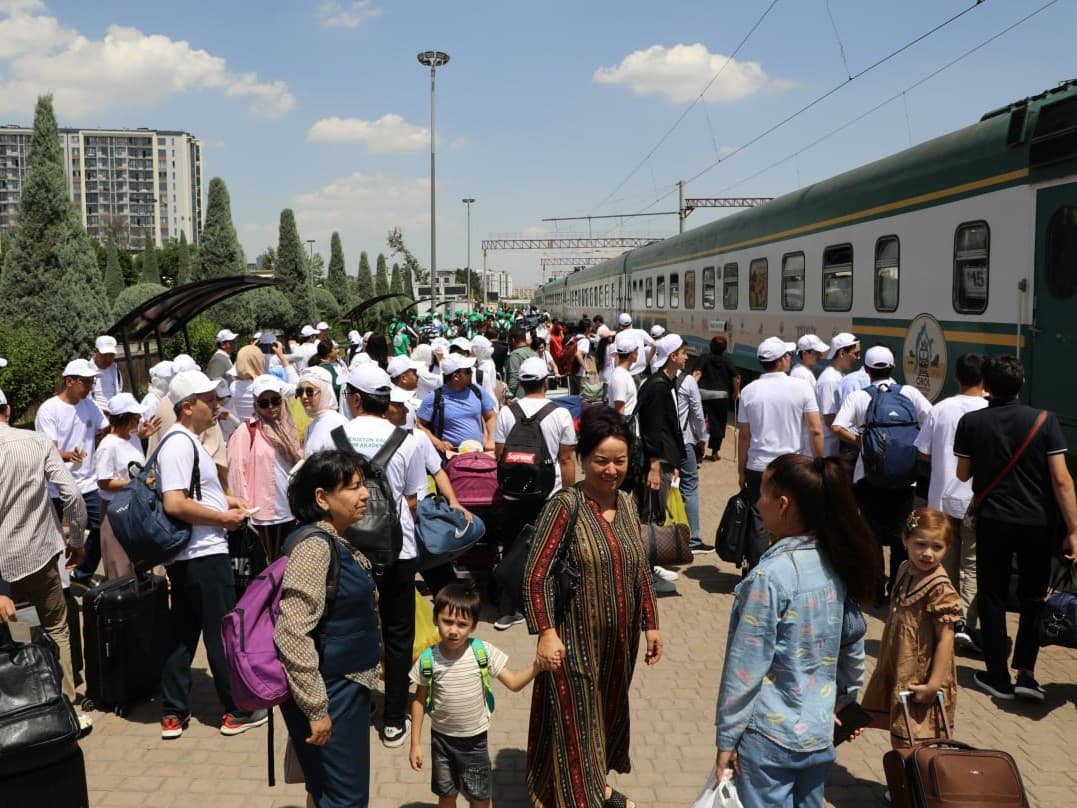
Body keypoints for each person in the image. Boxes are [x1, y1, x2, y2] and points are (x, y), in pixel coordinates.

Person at [715, 454, 879, 808]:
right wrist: (847, 699)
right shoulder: (836, 564)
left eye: (762, 493)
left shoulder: (769, 577)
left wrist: (726, 739)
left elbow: (745, 669)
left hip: (769, 739)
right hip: (819, 733)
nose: (758, 502)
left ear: (783, 504)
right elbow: (853, 641)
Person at [524, 407, 661, 808]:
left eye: (620, 460)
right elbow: (536, 575)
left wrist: (651, 624)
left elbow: (640, 569)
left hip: (618, 644)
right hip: (573, 642)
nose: (611, 469)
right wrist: (546, 632)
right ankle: (583, 798)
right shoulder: (565, 505)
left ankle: (585, 784)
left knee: (599, 717)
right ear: (583, 459)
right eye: (601, 460)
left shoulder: (630, 504)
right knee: (579, 720)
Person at [954, 355, 1077, 702]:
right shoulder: (1045, 421)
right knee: (1033, 596)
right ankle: (1026, 673)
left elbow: (963, 475)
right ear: (1022, 384)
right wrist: (1074, 529)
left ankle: (997, 676)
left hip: (993, 520)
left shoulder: (972, 421)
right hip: (1039, 523)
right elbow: (1062, 480)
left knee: (992, 595)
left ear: (986, 386)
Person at [157, 370, 266, 740]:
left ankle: (174, 711)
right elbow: (174, 502)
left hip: (196, 553)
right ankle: (236, 710)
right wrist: (223, 517)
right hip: (202, 553)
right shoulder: (178, 443)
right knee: (221, 634)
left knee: (184, 634)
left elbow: (193, 493)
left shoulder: (188, 441)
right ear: (187, 407)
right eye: (208, 399)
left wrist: (228, 500)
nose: (216, 404)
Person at [275, 450, 381, 808]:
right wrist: (316, 708)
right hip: (331, 691)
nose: (364, 494)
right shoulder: (315, 548)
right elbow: (291, 632)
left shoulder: (330, 539)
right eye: (353, 487)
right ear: (322, 498)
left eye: (363, 485)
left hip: (341, 687)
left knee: (325, 789)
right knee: (345, 798)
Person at [339, 364, 428, 747]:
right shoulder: (407, 441)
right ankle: (394, 717)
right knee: (397, 634)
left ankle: (353, 708)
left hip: (344, 551)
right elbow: (411, 500)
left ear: (356, 399)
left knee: (349, 630)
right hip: (399, 550)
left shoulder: (328, 436)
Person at [0, 385, 92, 732]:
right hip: (40, 555)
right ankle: (69, 708)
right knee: (56, 628)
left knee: (15, 633)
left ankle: (19, 714)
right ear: (8, 410)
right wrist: (78, 539)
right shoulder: (37, 442)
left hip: (2, 570)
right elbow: (72, 496)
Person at [408, 583, 538, 808]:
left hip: (475, 742)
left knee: (481, 797)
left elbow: (514, 683)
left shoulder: (482, 652)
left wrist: (537, 667)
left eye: (462, 624)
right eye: (447, 621)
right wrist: (415, 744)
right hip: (441, 741)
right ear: (435, 618)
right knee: (446, 795)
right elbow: (419, 701)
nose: (453, 630)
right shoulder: (428, 659)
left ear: (473, 626)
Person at [832, 346, 932, 598]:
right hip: (905, 478)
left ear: (866, 370)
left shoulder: (859, 396)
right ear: (893, 367)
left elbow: (837, 427)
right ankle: (898, 587)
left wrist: (861, 441)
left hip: (868, 478)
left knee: (870, 534)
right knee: (902, 534)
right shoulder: (909, 392)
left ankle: (875, 586)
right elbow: (932, 418)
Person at [861, 508, 960, 748]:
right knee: (899, 728)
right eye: (920, 544)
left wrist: (934, 683)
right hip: (898, 661)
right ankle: (903, 782)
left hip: (923, 671)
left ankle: (915, 783)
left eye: (937, 547)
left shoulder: (940, 587)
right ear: (905, 540)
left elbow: (946, 638)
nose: (927, 553)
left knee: (915, 734)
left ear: (947, 547)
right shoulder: (906, 568)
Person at [492, 357, 577, 630]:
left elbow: (499, 455)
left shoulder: (507, 412)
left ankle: (508, 608)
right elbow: (566, 460)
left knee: (512, 550)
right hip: (548, 496)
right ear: (545, 381)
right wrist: (570, 495)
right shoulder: (560, 413)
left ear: (521, 383)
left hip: (513, 495)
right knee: (550, 551)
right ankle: (548, 607)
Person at [914, 354, 987, 649]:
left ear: (956, 377)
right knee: (971, 564)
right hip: (975, 500)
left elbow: (923, 451)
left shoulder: (941, 408)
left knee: (944, 561)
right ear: (985, 380)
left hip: (941, 498)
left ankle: (943, 614)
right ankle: (965, 624)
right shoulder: (988, 410)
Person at [36, 358, 110, 583]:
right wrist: (68, 455)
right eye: (86, 382)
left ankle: (82, 572)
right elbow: (48, 448)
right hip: (57, 486)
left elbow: (104, 427)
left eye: (91, 383)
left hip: (88, 483)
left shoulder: (89, 405)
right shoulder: (49, 409)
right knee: (53, 536)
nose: (90, 387)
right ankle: (55, 581)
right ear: (69, 381)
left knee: (102, 528)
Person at [737, 337, 823, 513]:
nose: (790, 358)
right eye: (788, 355)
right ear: (782, 359)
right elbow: (815, 430)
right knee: (791, 517)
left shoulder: (748, 391)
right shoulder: (802, 387)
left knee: (760, 519)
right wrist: (819, 465)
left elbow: (745, 436)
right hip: (791, 466)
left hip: (758, 466)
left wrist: (741, 471)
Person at [227, 374, 302, 562]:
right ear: (256, 404)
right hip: (263, 514)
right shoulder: (246, 431)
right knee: (268, 565)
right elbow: (237, 472)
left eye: (275, 401)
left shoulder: (289, 427)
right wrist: (243, 508)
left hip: (291, 509)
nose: (271, 407)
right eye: (264, 403)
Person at [95, 393, 154, 580]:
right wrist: (136, 483)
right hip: (115, 511)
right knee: (120, 567)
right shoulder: (108, 445)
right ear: (125, 418)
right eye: (135, 416)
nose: (139, 420)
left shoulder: (133, 439)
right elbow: (104, 481)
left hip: (136, 507)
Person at [416, 354, 498, 454]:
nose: (472, 372)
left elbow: (491, 417)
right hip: (450, 455)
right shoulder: (434, 397)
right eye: (467, 371)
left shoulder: (477, 391)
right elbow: (420, 425)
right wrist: (438, 443)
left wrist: (491, 439)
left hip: (478, 454)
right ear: (456, 376)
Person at [674, 353, 712, 554]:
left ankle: (668, 536)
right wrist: (702, 438)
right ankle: (693, 539)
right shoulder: (687, 381)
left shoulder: (651, 378)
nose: (686, 356)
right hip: (684, 442)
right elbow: (697, 413)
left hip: (662, 444)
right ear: (672, 356)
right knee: (689, 486)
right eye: (682, 352)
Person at [696, 335, 740, 462]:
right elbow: (736, 377)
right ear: (725, 348)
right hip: (721, 396)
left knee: (701, 422)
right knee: (718, 423)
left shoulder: (704, 358)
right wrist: (736, 393)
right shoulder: (728, 362)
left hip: (703, 394)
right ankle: (715, 452)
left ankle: (699, 451)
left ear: (710, 346)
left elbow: (697, 373)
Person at [816, 333, 860, 459]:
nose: (858, 358)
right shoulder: (830, 380)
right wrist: (854, 439)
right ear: (842, 353)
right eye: (855, 353)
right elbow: (829, 418)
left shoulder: (838, 376)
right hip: (829, 449)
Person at [792, 335, 829, 456]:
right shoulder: (801, 375)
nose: (820, 356)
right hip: (805, 438)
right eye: (816, 352)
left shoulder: (804, 372)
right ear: (805, 353)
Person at [301, 367, 349, 456]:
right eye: (300, 392)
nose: (303, 396)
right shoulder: (312, 425)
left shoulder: (337, 422)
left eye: (309, 391)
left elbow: (346, 461)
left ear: (324, 391)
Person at [606, 331, 639, 417]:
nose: (638, 353)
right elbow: (619, 411)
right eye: (637, 351)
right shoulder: (620, 377)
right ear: (632, 354)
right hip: (625, 426)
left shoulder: (624, 374)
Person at [230, 343, 266, 422]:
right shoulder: (264, 383)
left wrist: (246, 354)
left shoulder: (233, 386)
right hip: (264, 429)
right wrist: (283, 360)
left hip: (245, 429)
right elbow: (295, 387)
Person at [90, 335, 122, 412]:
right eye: (104, 354)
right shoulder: (86, 372)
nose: (108, 359)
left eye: (111, 355)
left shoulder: (115, 370)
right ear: (95, 352)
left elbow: (119, 391)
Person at [504, 327, 536, 402]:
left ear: (512, 340)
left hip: (519, 398)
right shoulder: (534, 353)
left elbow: (514, 377)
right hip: (535, 396)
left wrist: (509, 396)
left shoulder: (514, 355)